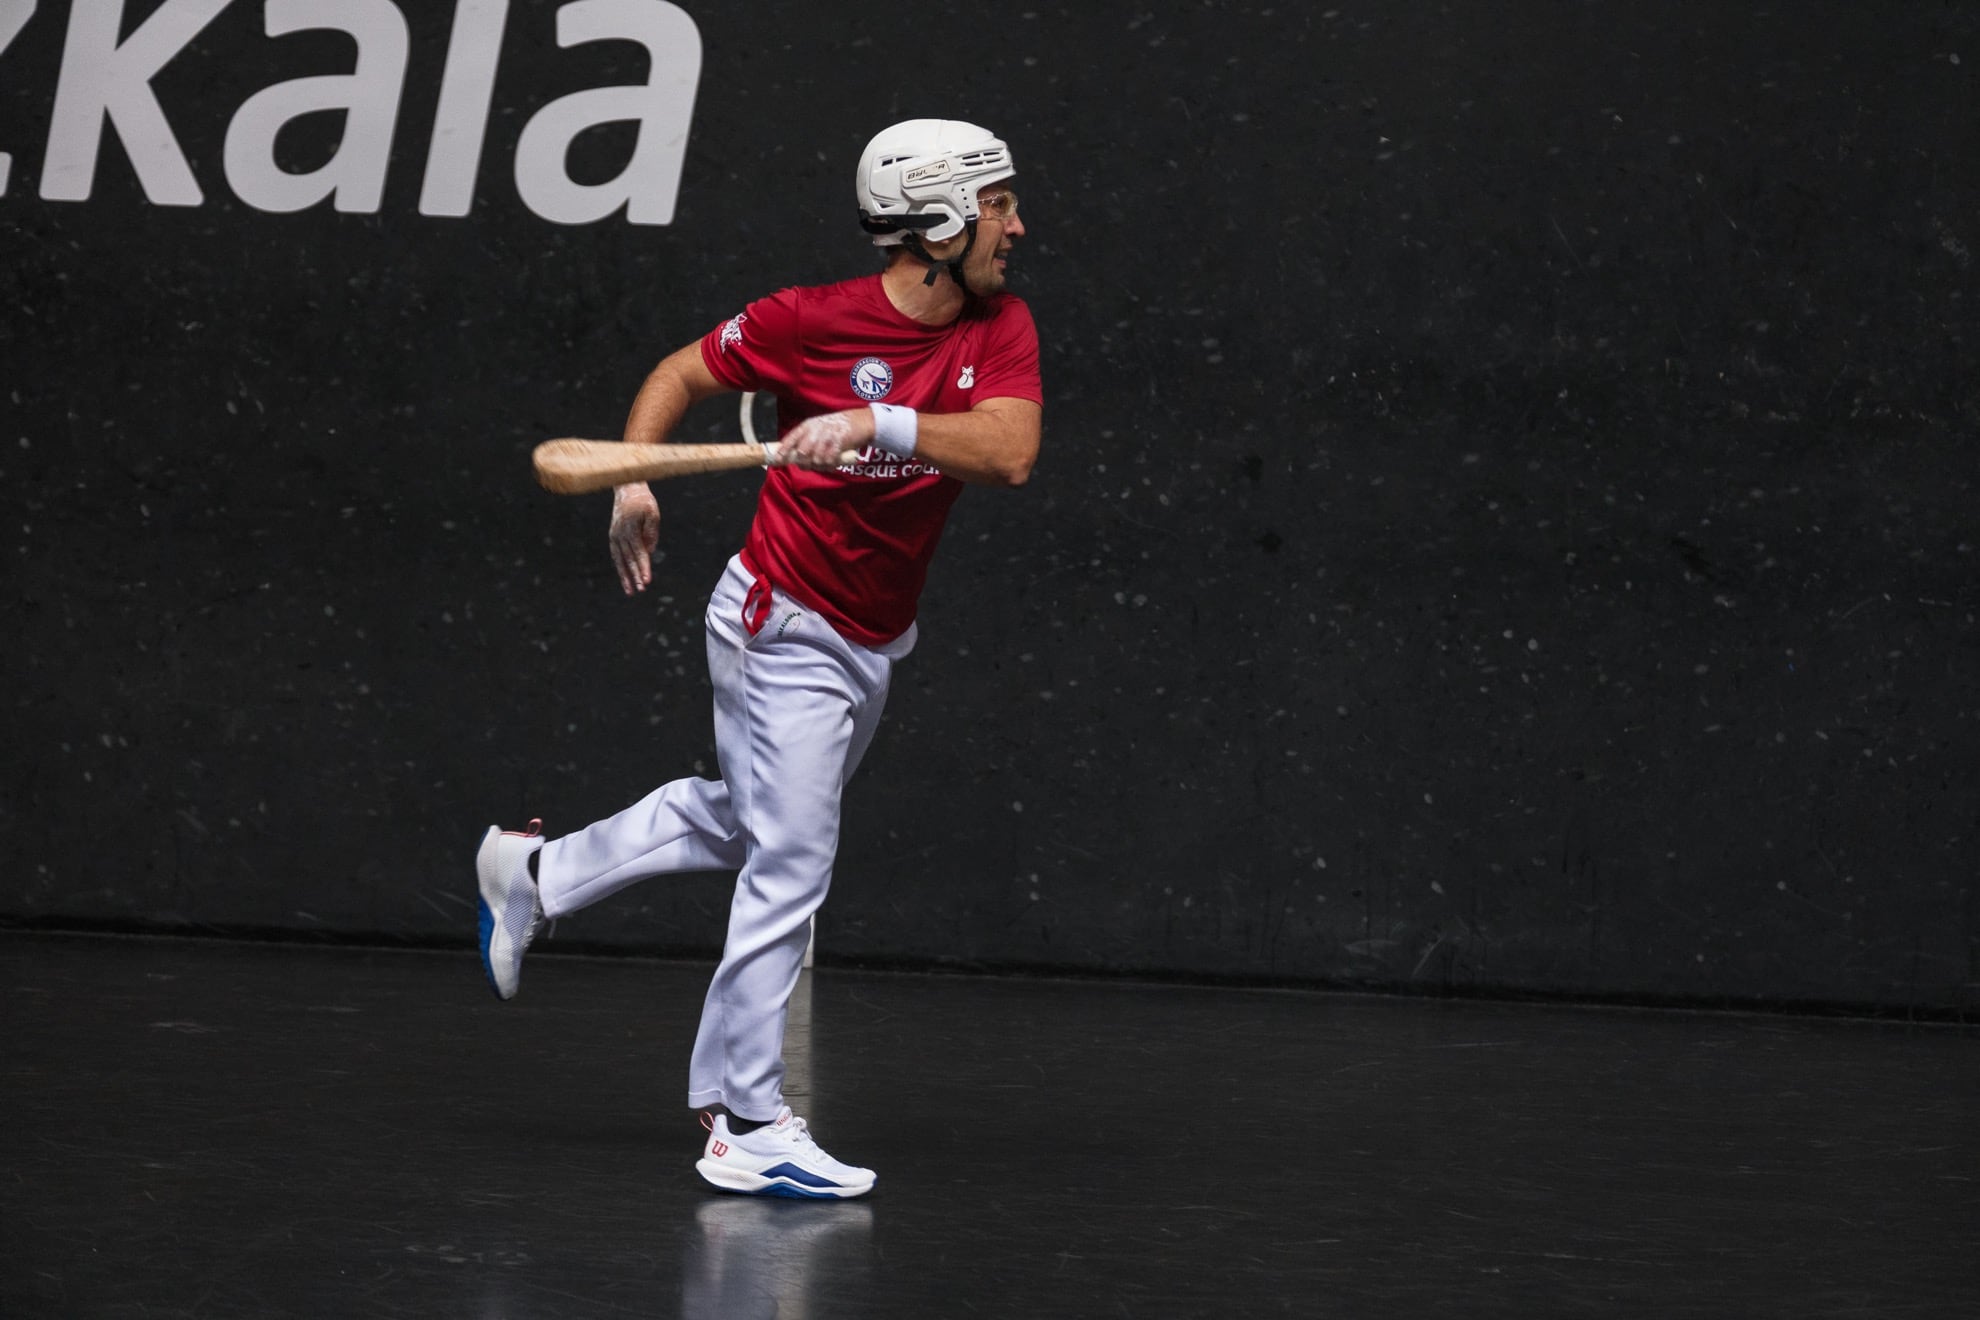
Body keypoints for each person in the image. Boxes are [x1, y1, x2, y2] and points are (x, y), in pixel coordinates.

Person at [474, 119, 1041, 1200]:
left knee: (750, 823)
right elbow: (678, 374)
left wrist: (878, 421)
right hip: (780, 623)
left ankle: (533, 877)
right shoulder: (806, 320)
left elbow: (1009, 451)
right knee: (791, 860)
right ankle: (745, 1120)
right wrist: (635, 478)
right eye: (998, 205)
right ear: (938, 224)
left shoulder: (1001, 325)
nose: (1016, 226)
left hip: (872, 639)